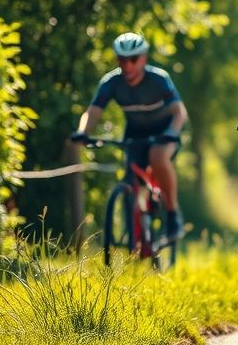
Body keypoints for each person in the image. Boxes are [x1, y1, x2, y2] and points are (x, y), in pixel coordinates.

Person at [71, 32, 188, 241]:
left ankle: (172, 215)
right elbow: (93, 111)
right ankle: (138, 235)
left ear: (144, 58)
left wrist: (171, 134)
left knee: (157, 157)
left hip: (164, 132)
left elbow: (179, 113)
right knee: (131, 180)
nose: (128, 66)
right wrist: (83, 132)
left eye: (133, 59)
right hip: (134, 134)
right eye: (121, 60)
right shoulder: (111, 82)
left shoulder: (159, 80)